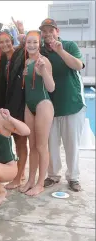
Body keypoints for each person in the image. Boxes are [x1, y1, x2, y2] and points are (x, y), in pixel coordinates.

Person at [39, 18, 86, 192]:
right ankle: (53, 175)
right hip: (50, 107)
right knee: (51, 144)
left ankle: (73, 177)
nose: (47, 34)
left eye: (51, 30)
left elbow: (78, 65)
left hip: (72, 104)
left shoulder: (69, 45)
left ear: (57, 31)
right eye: (44, 31)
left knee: (71, 144)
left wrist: (60, 51)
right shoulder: (41, 50)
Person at [18, 31, 55, 196]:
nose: (31, 45)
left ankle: (41, 183)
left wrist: (43, 70)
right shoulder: (26, 62)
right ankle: (31, 180)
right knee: (31, 145)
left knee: (41, 146)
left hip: (43, 104)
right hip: (29, 105)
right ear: (25, 44)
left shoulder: (43, 61)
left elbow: (51, 87)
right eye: (28, 42)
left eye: (34, 42)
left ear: (39, 43)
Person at [0, 29, 29, 189]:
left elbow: (30, 46)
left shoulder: (20, 55)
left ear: (12, 40)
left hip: (20, 103)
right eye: (1, 42)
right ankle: (19, 174)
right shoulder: (1, 59)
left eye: (7, 40)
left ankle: (19, 176)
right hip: (7, 105)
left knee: (21, 142)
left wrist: (23, 33)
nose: (5, 44)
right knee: (14, 141)